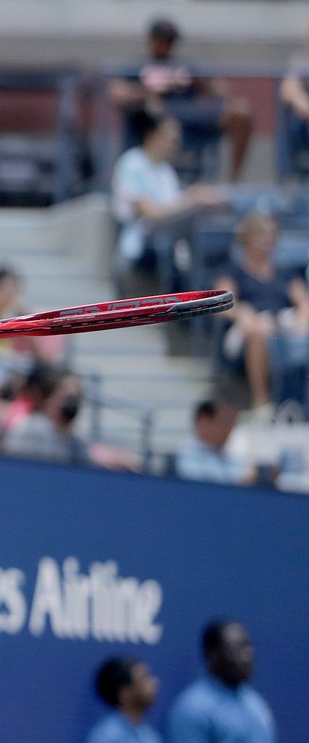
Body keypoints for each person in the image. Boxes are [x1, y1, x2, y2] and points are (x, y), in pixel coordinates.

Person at [108, 18, 252, 182]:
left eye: (170, 40)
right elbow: (117, 94)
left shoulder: (185, 66)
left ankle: (234, 182)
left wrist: (202, 84)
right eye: (162, 39)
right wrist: (151, 90)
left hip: (189, 116)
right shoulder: (137, 66)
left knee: (240, 112)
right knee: (154, 108)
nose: (167, 44)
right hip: (153, 118)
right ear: (151, 39)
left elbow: (220, 90)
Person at [111, 107, 225, 291]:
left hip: (167, 252)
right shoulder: (132, 164)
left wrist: (195, 197)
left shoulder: (166, 171)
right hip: (137, 253)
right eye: (170, 136)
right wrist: (192, 198)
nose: (176, 141)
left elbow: (173, 208)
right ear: (152, 135)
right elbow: (152, 214)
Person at [214, 211, 309, 412]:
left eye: (270, 235)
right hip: (246, 332)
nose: (267, 240)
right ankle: (261, 403)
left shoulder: (285, 273)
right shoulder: (232, 271)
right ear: (247, 238)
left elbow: (303, 303)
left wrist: (301, 326)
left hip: (281, 327)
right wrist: (243, 313)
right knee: (257, 331)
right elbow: (222, 303)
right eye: (261, 235)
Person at [174, 399, 256, 486]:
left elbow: (245, 472)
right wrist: (239, 480)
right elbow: (197, 481)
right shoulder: (185, 454)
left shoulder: (229, 457)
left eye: (232, 424)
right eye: (225, 422)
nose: (229, 429)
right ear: (204, 422)